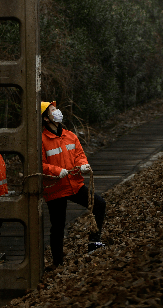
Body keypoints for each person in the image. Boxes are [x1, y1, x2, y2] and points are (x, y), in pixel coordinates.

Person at [41, 101, 106, 267]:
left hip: (74, 184)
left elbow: (79, 154)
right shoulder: (41, 140)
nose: (57, 112)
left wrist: (83, 164)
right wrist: (56, 171)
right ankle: (57, 263)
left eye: (56, 109)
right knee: (58, 227)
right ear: (46, 118)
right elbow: (39, 164)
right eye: (53, 110)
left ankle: (94, 243)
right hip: (55, 188)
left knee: (99, 204)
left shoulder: (70, 135)